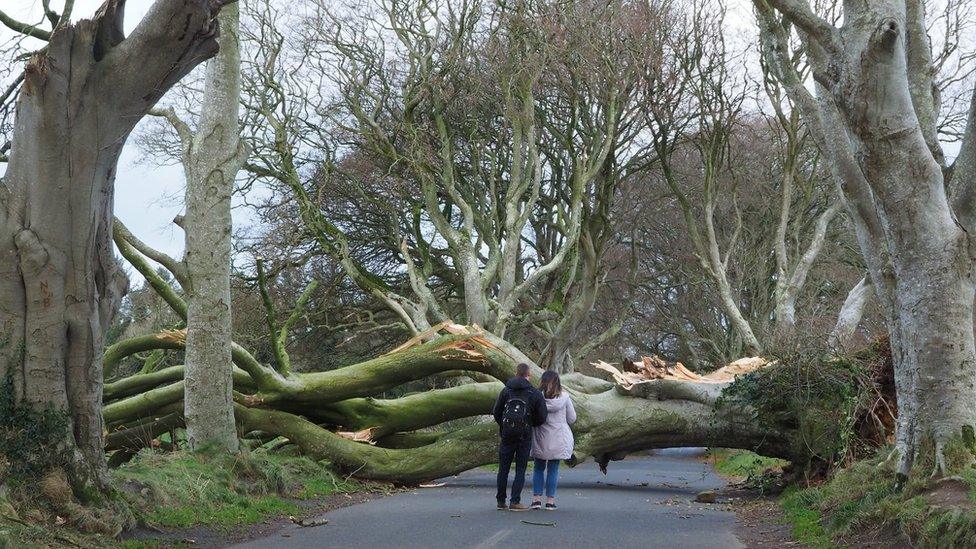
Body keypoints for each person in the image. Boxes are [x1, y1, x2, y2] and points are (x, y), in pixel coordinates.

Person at [492, 362, 548, 511]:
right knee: (520, 468)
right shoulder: (534, 393)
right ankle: (515, 501)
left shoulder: (506, 391)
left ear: (516, 373)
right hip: (524, 435)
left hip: (507, 434)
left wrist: (504, 426)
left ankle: (500, 501)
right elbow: (542, 416)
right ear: (528, 375)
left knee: (503, 468)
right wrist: (530, 424)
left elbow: (496, 412)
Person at [530, 370, 576, 511]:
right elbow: (572, 418)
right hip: (558, 437)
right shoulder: (565, 397)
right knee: (553, 469)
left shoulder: (536, 398)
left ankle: (536, 500)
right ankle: (550, 501)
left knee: (538, 468)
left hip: (540, 436)